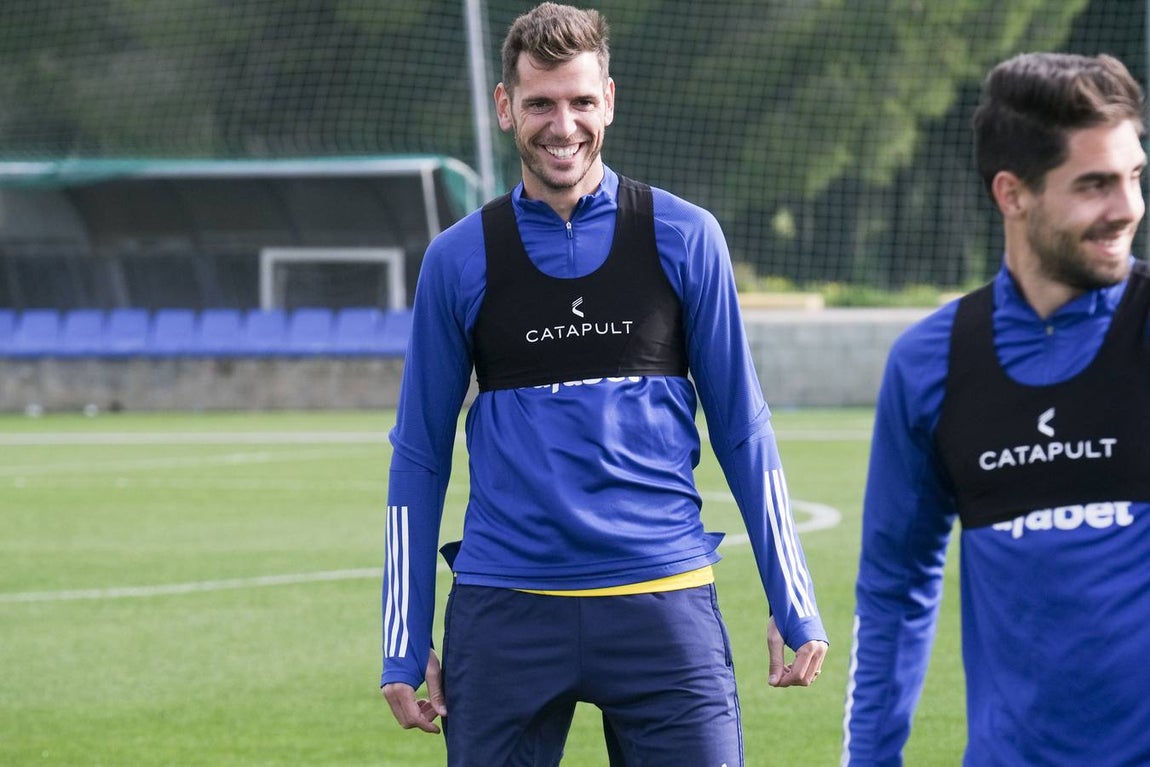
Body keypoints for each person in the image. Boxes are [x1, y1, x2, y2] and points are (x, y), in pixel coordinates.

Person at [379, 3, 828, 764]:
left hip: (664, 604)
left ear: (609, 101)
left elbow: (743, 428)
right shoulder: (458, 259)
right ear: (504, 108)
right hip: (506, 611)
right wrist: (403, 636)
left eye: (582, 101)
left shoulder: (686, 236)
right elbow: (419, 454)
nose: (563, 125)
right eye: (541, 104)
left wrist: (794, 599)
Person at [843, 51, 1150, 765]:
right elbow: (893, 591)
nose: (1128, 207)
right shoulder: (929, 364)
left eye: (1136, 177)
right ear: (1012, 193)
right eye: (1095, 184)